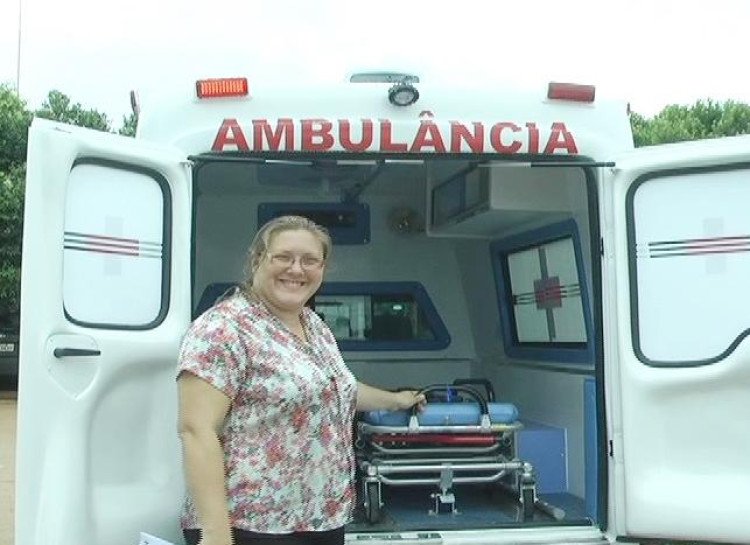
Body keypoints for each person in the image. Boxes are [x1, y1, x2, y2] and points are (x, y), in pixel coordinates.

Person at [177, 215, 426, 545]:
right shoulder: (223, 328)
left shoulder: (314, 325)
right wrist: (215, 532)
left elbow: (337, 390)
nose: (297, 269)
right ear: (256, 260)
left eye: (310, 260)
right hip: (250, 524)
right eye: (283, 257)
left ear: (322, 269)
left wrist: (398, 400)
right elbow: (196, 430)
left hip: (320, 516)